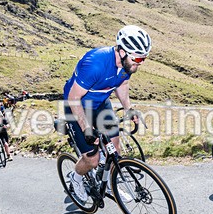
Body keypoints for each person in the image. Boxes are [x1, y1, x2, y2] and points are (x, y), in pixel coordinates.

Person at [62, 24, 149, 204]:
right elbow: (74, 98)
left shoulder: (127, 65)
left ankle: (109, 184)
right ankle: (75, 179)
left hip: (101, 103)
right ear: (123, 51)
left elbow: (122, 85)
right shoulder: (95, 64)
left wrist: (129, 109)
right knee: (92, 159)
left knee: (114, 149)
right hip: (76, 105)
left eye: (143, 59)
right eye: (138, 59)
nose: (139, 63)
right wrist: (87, 129)